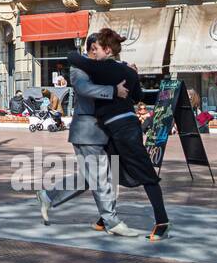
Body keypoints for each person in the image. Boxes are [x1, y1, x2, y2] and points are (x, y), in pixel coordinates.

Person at [66, 29, 171, 241]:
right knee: (110, 171)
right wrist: (131, 74)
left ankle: (162, 221)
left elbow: (72, 56)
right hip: (116, 130)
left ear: (107, 49)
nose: (93, 53)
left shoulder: (101, 67)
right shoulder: (126, 71)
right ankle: (106, 218)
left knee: (144, 173)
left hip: (124, 131)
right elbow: (139, 96)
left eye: (96, 49)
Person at [38, 34, 136, 235]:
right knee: (100, 175)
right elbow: (83, 88)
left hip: (108, 130)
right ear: (93, 48)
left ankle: (48, 195)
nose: (109, 51)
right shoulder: (79, 68)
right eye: (105, 47)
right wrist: (112, 90)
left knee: (92, 177)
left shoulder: (107, 66)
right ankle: (112, 221)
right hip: (87, 130)